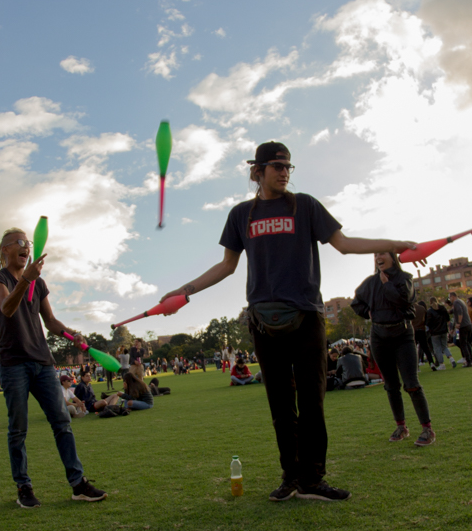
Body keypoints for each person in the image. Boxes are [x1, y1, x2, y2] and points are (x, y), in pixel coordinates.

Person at [159, 140, 417, 503]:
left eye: (288, 167)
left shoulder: (306, 205)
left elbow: (344, 244)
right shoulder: (241, 215)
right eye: (277, 166)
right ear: (257, 172)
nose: (284, 173)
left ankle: (313, 479)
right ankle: (290, 478)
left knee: (312, 402)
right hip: (263, 322)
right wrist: (184, 292)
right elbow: (227, 266)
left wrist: (394, 243)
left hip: (307, 317)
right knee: (281, 406)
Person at [0, 227, 107, 508]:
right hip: (13, 363)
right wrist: (25, 280)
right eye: (18, 242)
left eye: (27, 242)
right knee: (18, 429)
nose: (25, 246)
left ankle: (78, 484)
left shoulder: (38, 283)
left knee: (62, 423)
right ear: (5, 250)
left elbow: (50, 321)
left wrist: (71, 333)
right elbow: (7, 308)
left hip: (42, 363)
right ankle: (24, 487)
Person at [352, 251, 435, 446]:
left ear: (392, 256)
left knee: (411, 383)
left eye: (382, 253)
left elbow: (404, 301)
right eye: (375, 255)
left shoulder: (404, 278)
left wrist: (387, 284)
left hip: (402, 335)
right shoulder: (370, 282)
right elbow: (356, 303)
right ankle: (401, 427)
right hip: (379, 337)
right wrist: (367, 311)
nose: (377, 258)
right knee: (390, 385)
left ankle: (427, 429)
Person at [427, 297, 455, 370]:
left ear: (430, 302)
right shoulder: (442, 308)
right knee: (444, 346)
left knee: (437, 348)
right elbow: (448, 319)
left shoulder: (430, 311)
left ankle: (442, 364)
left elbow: (428, 322)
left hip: (435, 332)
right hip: (444, 330)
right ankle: (451, 358)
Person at [449, 292, 472, 366]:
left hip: (463, 326)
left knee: (463, 343)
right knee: (467, 343)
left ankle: (468, 361)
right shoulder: (461, 301)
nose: (450, 299)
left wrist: (459, 323)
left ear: (452, 296)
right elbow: (455, 313)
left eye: (450, 297)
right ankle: (471, 360)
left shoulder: (456, 302)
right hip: (468, 324)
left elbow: (460, 312)